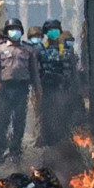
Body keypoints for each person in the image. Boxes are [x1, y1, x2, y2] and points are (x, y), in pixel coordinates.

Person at [0, 18, 40, 164]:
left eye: (17, 29)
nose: (14, 32)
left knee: (19, 121)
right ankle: (0, 152)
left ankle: (15, 152)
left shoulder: (28, 49)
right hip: (4, 89)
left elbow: (34, 71)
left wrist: (38, 89)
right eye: (11, 29)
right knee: (2, 121)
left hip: (22, 88)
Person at [37, 19, 74, 147]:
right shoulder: (40, 49)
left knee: (63, 113)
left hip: (63, 86)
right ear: (46, 33)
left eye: (56, 30)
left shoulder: (66, 49)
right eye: (51, 30)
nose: (54, 33)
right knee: (47, 114)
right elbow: (36, 69)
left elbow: (71, 68)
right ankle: (47, 140)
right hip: (47, 86)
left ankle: (63, 139)